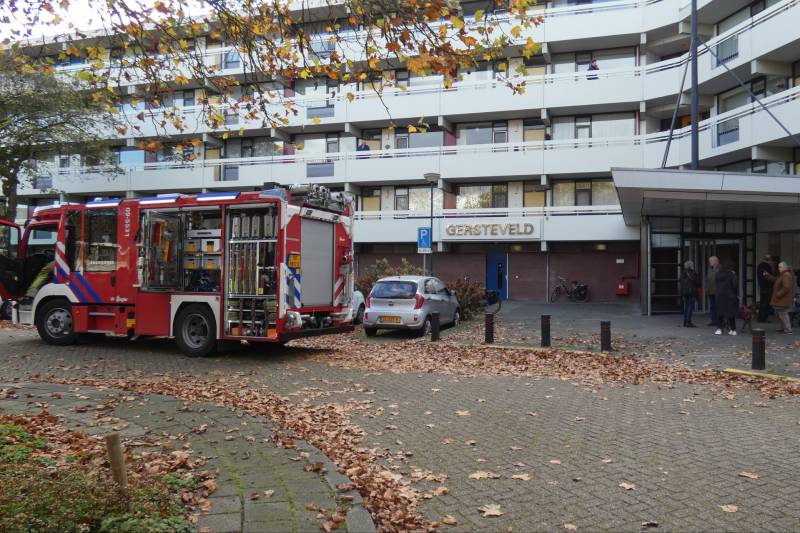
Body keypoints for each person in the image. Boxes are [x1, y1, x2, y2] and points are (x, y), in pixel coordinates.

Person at [770, 261, 795, 334]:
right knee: (781, 314)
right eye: (778, 267)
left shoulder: (786, 275)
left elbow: (786, 287)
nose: (778, 268)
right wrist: (768, 276)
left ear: (785, 267)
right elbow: (776, 280)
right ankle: (783, 328)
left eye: (780, 267)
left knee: (783, 314)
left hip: (783, 299)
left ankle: (788, 329)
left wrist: (778, 294)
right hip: (782, 299)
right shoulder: (783, 274)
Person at [714, 263, 738, 336]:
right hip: (730, 295)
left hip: (719, 295)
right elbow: (734, 285)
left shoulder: (717, 274)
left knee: (719, 312)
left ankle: (719, 328)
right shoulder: (731, 274)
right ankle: (733, 329)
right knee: (731, 312)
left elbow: (716, 283)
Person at [679, 260, 700, 327]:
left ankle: (685, 321)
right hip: (691, 292)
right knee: (690, 307)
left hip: (684, 292)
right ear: (691, 265)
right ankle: (688, 321)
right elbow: (697, 282)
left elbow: (681, 283)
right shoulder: (693, 273)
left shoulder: (683, 273)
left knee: (686, 306)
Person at [756, 254, 776, 322]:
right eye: (771, 260)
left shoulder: (760, 265)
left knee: (763, 303)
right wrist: (775, 280)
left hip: (762, 287)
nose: (772, 261)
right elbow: (767, 276)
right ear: (769, 260)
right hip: (767, 287)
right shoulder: (766, 266)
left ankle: (761, 318)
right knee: (766, 303)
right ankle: (763, 318)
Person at [706, 256, 720, 327]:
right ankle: (713, 320)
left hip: (717, 291)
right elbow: (708, 280)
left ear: (715, 261)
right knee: (712, 306)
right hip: (710, 291)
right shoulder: (709, 269)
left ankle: (719, 321)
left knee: (718, 306)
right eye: (709, 261)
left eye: (711, 261)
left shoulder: (719, 269)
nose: (709, 262)